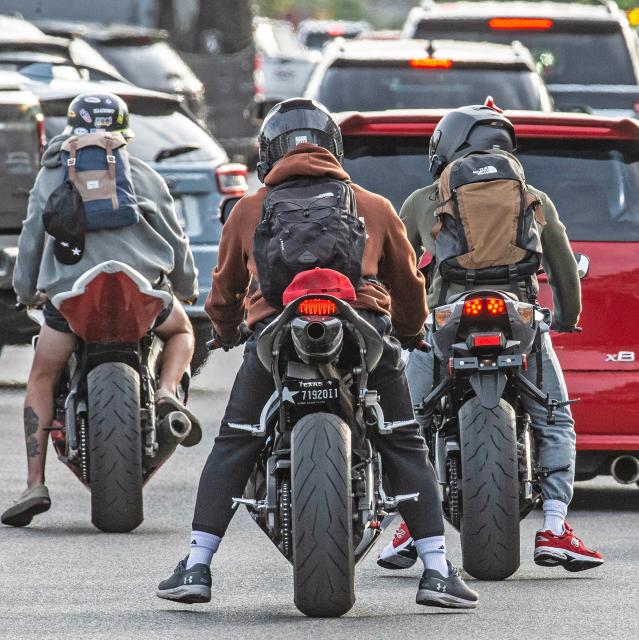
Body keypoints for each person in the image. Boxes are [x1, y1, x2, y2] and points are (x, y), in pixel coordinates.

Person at [156, 98, 479, 609]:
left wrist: (225, 331)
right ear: (334, 148)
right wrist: (411, 331)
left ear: (269, 152)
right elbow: (408, 284)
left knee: (236, 441)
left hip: (276, 331)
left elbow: (223, 291)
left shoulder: (249, 207)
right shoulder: (372, 205)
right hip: (363, 330)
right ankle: (438, 570)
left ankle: (196, 566)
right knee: (402, 441)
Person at [377, 104, 604, 573]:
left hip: (444, 320)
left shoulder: (422, 200)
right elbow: (562, 265)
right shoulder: (533, 197)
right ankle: (556, 526)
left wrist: (401, 325)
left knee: (408, 422)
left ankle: (407, 523)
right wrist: (566, 316)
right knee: (554, 415)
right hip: (519, 316)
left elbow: (396, 273)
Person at [2, 93, 198, 528]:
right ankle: (166, 390)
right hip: (141, 295)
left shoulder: (51, 176)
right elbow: (176, 240)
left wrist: (26, 292)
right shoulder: (144, 174)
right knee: (182, 332)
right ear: (124, 131)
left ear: (71, 130)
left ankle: (35, 482)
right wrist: (185, 288)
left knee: (42, 375)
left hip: (72, 301)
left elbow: (32, 240)